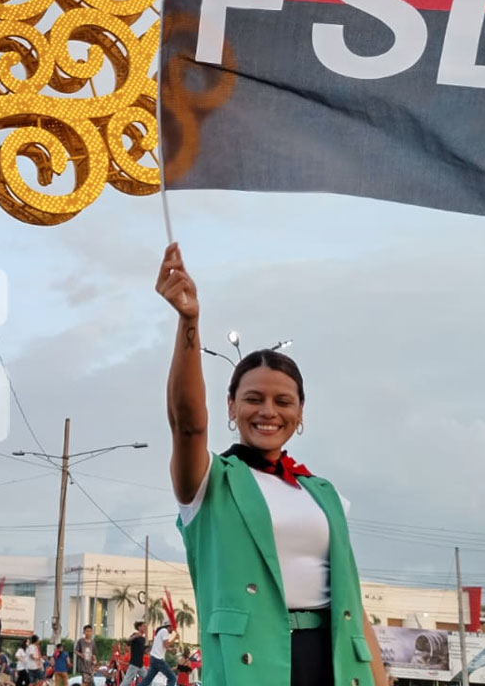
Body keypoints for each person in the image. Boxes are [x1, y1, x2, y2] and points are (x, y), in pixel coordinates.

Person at [157, 242, 387, 686]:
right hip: (253, 661)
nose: (268, 411)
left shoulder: (325, 494)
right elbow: (186, 424)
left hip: (337, 663)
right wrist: (189, 322)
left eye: (283, 401)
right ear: (231, 406)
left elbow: (352, 609)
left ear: (300, 412)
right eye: (253, 399)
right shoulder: (209, 483)